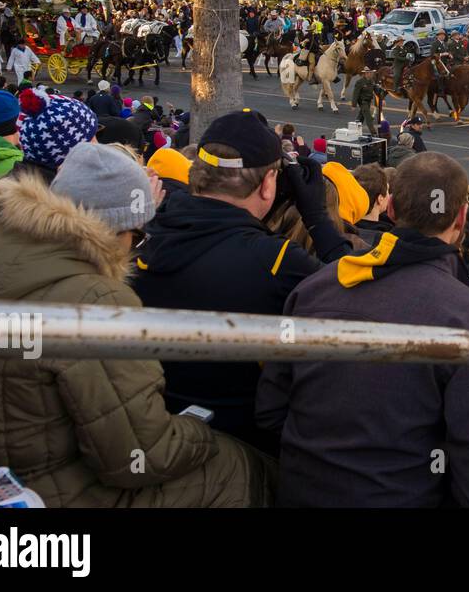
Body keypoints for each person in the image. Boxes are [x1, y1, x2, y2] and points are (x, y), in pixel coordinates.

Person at [259, 154, 469, 507]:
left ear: (391, 208)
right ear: (460, 219)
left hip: (302, 492)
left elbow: (270, 411)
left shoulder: (314, 288)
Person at [0, 141, 272, 506]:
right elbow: (139, 457)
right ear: (114, 230)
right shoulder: (95, 299)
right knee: (238, 466)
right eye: (138, 235)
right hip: (52, 489)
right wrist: (201, 430)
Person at [134, 109, 350, 452]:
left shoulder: (142, 235)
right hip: (244, 445)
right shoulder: (277, 261)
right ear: (268, 185)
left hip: (154, 427)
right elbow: (364, 297)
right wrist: (317, 219)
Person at [349, 65, 379, 134]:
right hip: (363, 102)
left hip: (368, 102)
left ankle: (354, 130)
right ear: (366, 73)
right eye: (371, 73)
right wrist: (354, 105)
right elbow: (355, 94)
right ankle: (373, 133)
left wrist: (381, 90)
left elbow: (376, 90)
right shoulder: (360, 82)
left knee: (361, 117)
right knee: (369, 118)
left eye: (372, 73)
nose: (372, 74)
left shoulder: (371, 81)